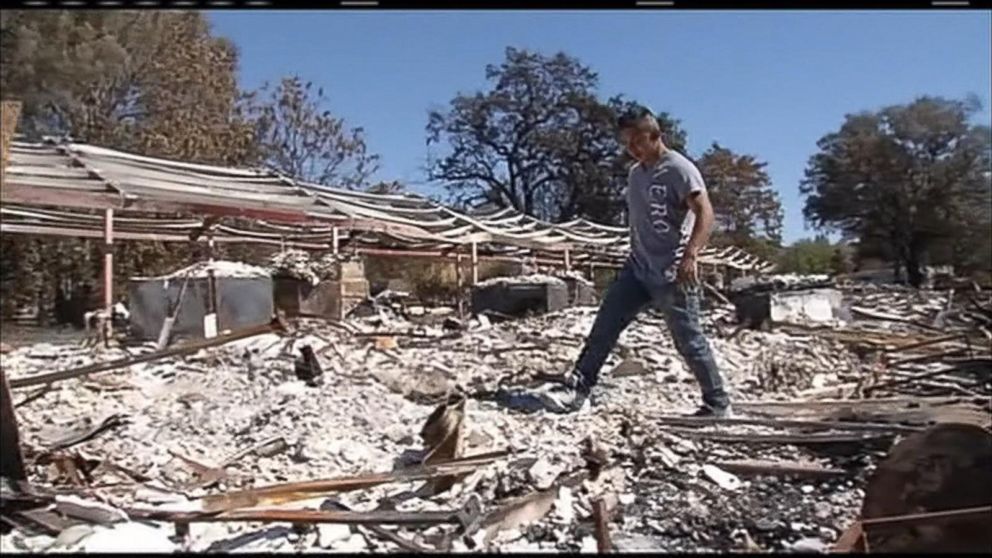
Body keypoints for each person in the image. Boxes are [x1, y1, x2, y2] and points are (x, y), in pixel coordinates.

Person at [535, 106, 732, 417]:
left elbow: (705, 214)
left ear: (656, 137)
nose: (632, 149)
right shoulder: (635, 174)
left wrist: (691, 255)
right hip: (637, 268)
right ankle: (578, 390)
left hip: (671, 273)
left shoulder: (680, 169)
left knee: (689, 340)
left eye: (638, 141)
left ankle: (717, 404)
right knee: (605, 326)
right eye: (626, 143)